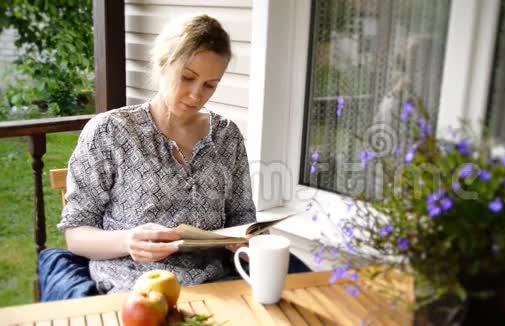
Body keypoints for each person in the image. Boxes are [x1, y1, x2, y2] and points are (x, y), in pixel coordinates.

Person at [41, 15, 308, 299]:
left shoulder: (226, 136)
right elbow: (76, 235)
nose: (196, 95)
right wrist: (128, 241)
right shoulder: (110, 131)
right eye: (188, 77)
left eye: (210, 85)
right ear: (163, 63)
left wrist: (248, 241)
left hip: (217, 285)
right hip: (136, 287)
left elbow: (242, 217)